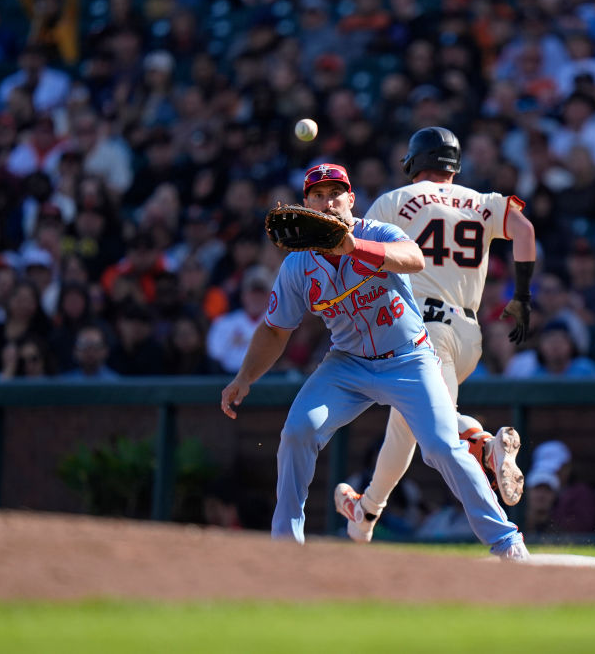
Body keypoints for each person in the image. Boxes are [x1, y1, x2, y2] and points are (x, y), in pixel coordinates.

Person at [219, 162, 528, 560]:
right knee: (298, 430)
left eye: (335, 194)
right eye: (318, 196)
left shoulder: (375, 232)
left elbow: (413, 258)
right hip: (347, 364)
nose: (328, 203)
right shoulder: (298, 264)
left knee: (441, 448)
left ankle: (507, 542)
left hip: (409, 358)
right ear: (306, 204)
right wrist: (244, 378)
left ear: (351, 199)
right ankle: (285, 548)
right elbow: (276, 330)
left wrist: (353, 248)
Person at [332, 127, 537, 543]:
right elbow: (526, 231)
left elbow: (360, 255)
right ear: (455, 166)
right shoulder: (482, 201)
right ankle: (366, 512)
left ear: (413, 161)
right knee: (405, 427)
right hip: (468, 333)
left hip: (420, 329)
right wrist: (522, 296)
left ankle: (481, 443)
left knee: (432, 433)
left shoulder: (394, 200)